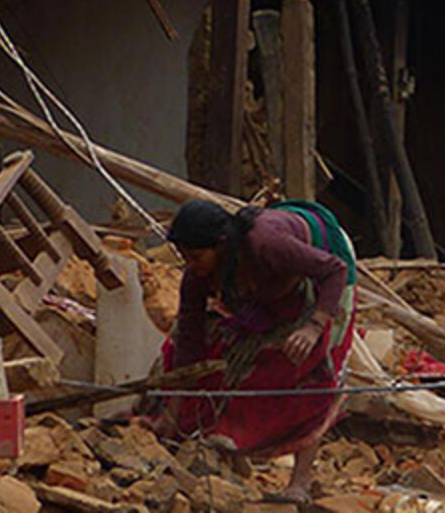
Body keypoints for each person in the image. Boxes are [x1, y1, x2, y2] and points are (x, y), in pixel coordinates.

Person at [153, 198, 357, 503]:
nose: (191, 266)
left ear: (221, 244)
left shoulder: (265, 245)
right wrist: (172, 409)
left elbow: (334, 271)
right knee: (222, 349)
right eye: (186, 259)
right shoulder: (197, 276)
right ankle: (229, 441)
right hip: (271, 289)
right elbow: (189, 342)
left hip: (325, 272)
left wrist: (314, 326)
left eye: (196, 256)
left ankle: (300, 480)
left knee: (309, 369)